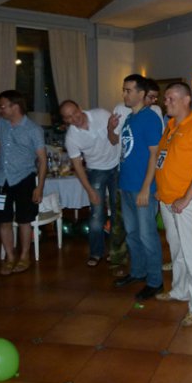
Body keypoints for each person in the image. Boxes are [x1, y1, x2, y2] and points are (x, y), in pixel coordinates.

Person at [154, 82, 192, 326]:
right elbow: (164, 159)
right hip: (168, 198)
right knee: (176, 248)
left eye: (171, 98)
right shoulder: (170, 126)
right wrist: (161, 190)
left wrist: (186, 198)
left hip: (187, 200)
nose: (166, 102)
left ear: (187, 100)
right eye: (166, 98)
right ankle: (180, 290)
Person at [108, 74, 164, 301]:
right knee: (132, 234)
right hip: (126, 184)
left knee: (147, 235)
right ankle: (138, 271)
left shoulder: (150, 118)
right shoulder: (130, 118)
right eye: (124, 90)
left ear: (141, 94)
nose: (124, 94)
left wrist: (146, 188)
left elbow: (155, 154)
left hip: (142, 188)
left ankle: (155, 281)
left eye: (128, 90)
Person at [0, 90, 47, 276]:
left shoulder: (33, 129)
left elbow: (42, 160)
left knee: (24, 220)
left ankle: (24, 256)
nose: (0, 110)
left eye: (2, 106)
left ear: (15, 106)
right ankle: (9, 257)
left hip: (24, 179)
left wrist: (39, 187)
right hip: (0, 180)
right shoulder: (1, 123)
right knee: (3, 220)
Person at [60, 100, 119, 267]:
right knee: (96, 214)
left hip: (117, 166)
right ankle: (96, 252)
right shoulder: (71, 137)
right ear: (65, 120)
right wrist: (89, 190)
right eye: (68, 117)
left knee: (118, 211)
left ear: (80, 108)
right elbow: (78, 167)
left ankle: (116, 251)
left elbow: (117, 137)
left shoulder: (101, 114)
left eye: (74, 112)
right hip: (96, 171)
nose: (74, 118)